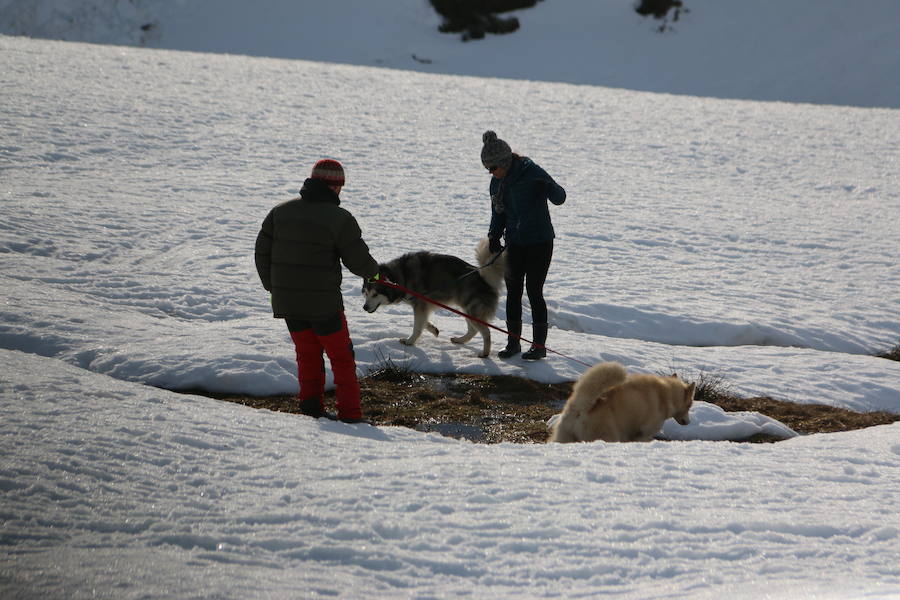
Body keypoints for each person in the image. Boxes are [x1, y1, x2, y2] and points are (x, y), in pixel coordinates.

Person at [255, 159, 379, 422]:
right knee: (342, 358)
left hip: (288, 303)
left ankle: (310, 409)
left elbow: (262, 255)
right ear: (335, 187)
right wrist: (376, 274)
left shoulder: (279, 212)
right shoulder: (340, 219)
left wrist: (275, 288)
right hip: (325, 307)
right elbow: (358, 261)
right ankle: (351, 415)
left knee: (307, 355)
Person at [481, 130, 566, 360]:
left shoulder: (532, 172)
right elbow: (497, 213)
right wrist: (493, 236)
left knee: (534, 291)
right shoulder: (496, 184)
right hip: (515, 243)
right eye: (487, 169)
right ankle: (513, 344)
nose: (490, 173)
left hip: (540, 242)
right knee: (513, 292)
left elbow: (560, 197)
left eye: (492, 168)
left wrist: (547, 187)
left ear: (504, 162)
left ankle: (539, 347)